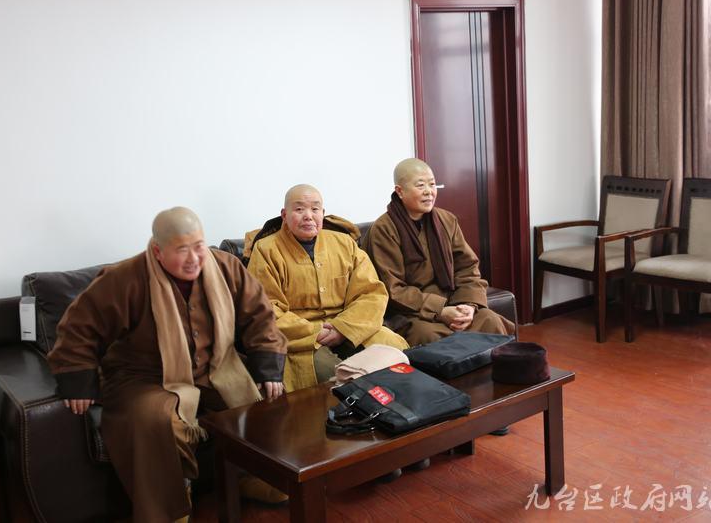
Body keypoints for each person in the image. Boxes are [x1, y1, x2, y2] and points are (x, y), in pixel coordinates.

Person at [47, 207, 288, 523]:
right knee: (156, 422)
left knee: (261, 400)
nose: (194, 258)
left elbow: (259, 315)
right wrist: (78, 379)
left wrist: (267, 365)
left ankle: (251, 478)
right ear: (158, 251)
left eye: (198, 246)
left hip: (215, 366)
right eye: (182, 249)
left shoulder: (226, 266)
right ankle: (172, 509)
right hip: (145, 377)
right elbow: (80, 327)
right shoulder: (125, 279)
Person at [247, 184, 409, 392]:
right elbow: (266, 309)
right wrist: (315, 331)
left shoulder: (344, 243)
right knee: (334, 376)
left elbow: (371, 293)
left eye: (315, 209)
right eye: (299, 209)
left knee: (395, 350)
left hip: (351, 325)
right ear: (284, 215)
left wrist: (342, 328)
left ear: (322, 213)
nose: (308, 216)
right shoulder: (266, 250)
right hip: (303, 337)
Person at [363, 158, 515, 346]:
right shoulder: (384, 230)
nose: (429, 191)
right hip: (412, 312)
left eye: (432, 184)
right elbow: (393, 289)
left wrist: (468, 305)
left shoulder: (446, 220)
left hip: (453, 301)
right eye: (420, 185)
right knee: (430, 338)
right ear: (400, 191)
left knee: (490, 321)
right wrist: (440, 310)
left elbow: (467, 268)